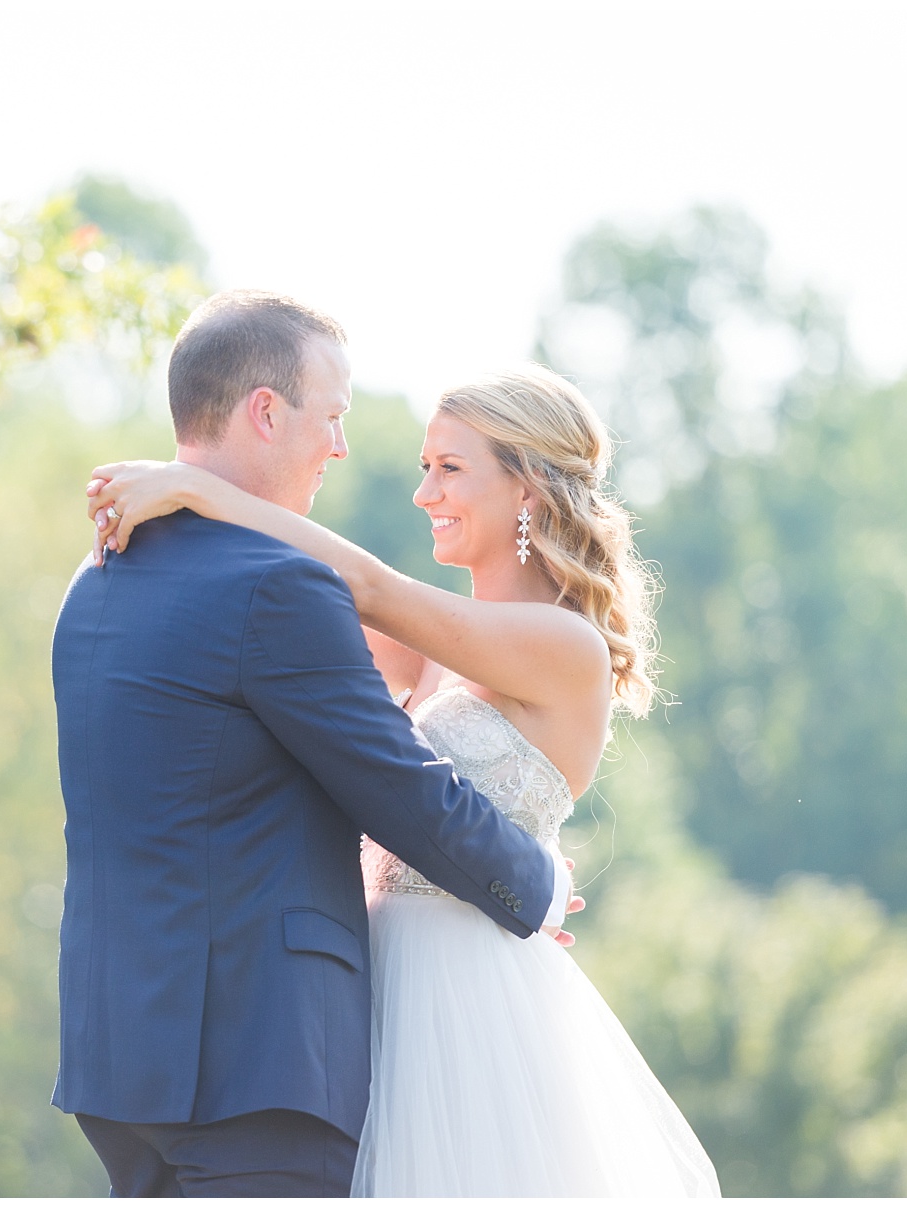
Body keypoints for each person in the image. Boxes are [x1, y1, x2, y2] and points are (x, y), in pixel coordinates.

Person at [86, 362, 722, 1196]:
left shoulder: (568, 649)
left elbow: (362, 586)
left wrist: (199, 492)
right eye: (426, 467)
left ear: (528, 489)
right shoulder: (430, 650)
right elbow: (288, 610)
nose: (425, 494)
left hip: (466, 1004)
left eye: (450, 469)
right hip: (363, 984)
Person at [49, 290, 577, 1197]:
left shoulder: (96, 579)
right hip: (258, 1066)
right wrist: (537, 886)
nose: (339, 446)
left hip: (118, 1054)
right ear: (266, 412)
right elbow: (399, 786)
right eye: (330, 418)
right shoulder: (278, 589)